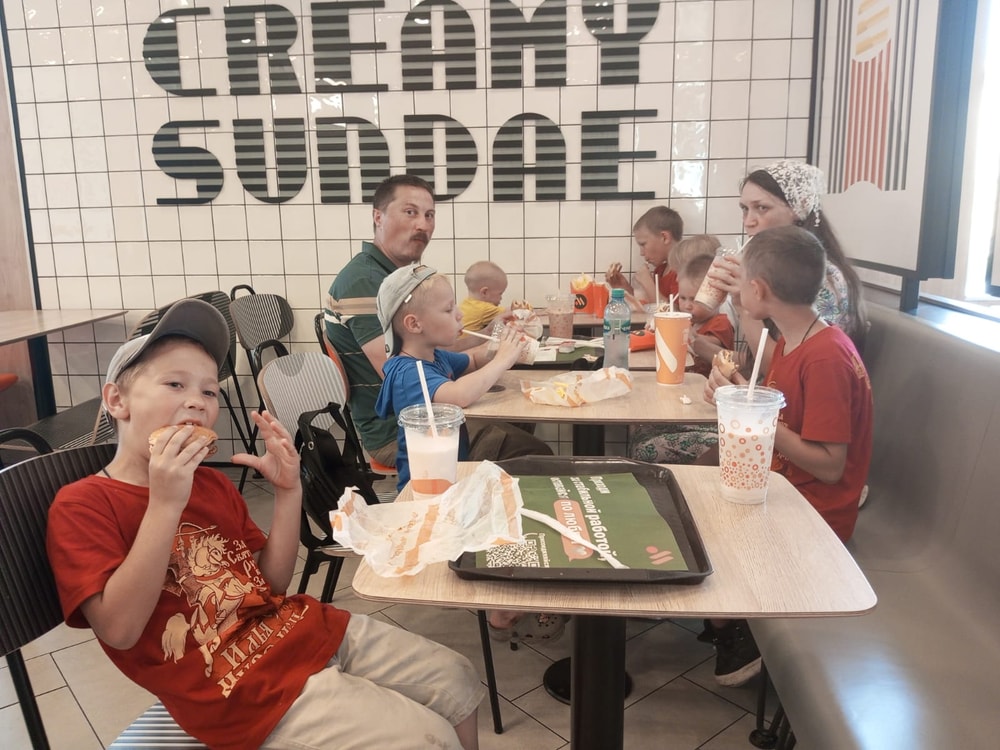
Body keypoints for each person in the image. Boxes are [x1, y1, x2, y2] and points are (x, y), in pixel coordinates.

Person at [46, 299, 484, 750]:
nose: (196, 401)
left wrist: (288, 491)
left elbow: (270, 584)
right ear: (117, 400)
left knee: (458, 678)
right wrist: (164, 504)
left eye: (210, 391)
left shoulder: (212, 484)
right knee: (428, 740)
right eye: (175, 384)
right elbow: (119, 631)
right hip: (240, 693)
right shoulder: (83, 505)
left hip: (302, 631)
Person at [699, 225, 874, 687]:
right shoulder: (792, 342)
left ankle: (740, 628)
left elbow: (830, 466)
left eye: (741, 284)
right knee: (697, 483)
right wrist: (739, 392)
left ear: (758, 290)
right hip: (783, 484)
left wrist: (756, 417)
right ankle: (725, 617)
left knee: (704, 516)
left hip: (816, 511)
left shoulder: (825, 357)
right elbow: (780, 410)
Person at [374, 264, 563, 644]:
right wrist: (503, 359)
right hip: (428, 488)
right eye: (448, 309)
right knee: (507, 501)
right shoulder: (408, 372)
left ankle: (505, 595)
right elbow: (458, 396)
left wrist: (501, 342)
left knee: (517, 481)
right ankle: (500, 607)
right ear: (413, 323)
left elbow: (474, 360)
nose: (459, 314)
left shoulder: (434, 357)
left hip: (453, 470)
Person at [323, 175, 476, 470]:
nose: (423, 225)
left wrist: (492, 337)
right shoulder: (364, 281)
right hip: (400, 430)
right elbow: (398, 368)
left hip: (423, 416)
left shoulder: (397, 277)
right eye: (410, 212)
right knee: (521, 447)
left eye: (429, 215)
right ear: (378, 217)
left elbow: (433, 348)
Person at [709, 160, 868, 374]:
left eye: (762, 208)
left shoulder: (822, 279)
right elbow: (756, 362)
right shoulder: (777, 268)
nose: (748, 221)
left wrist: (743, 304)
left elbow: (783, 369)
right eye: (745, 209)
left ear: (799, 208)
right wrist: (696, 342)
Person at [628, 245, 734, 464]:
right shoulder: (692, 321)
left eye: (694, 299)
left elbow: (709, 350)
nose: (687, 305)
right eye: (683, 298)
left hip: (706, 407)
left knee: (645, 441)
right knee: (639, 425)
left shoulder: (720, 324)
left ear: (719, 298)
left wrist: (683, 333)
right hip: (684, 396)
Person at [605, 205, 684, 305]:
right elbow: (649, 306)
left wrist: (647, 282)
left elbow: (674, 311)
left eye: (643, 244)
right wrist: (625, 288)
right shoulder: (660, 271)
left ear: (664, 237)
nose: (641, 253)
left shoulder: (683, 271)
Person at [459, 260, 508, 333]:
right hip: (472, 341)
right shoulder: (484, 309)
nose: (501, 298)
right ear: (485, 292)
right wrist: (523, 307)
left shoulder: (466, 303)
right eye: (500, 294)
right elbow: (510, 313)